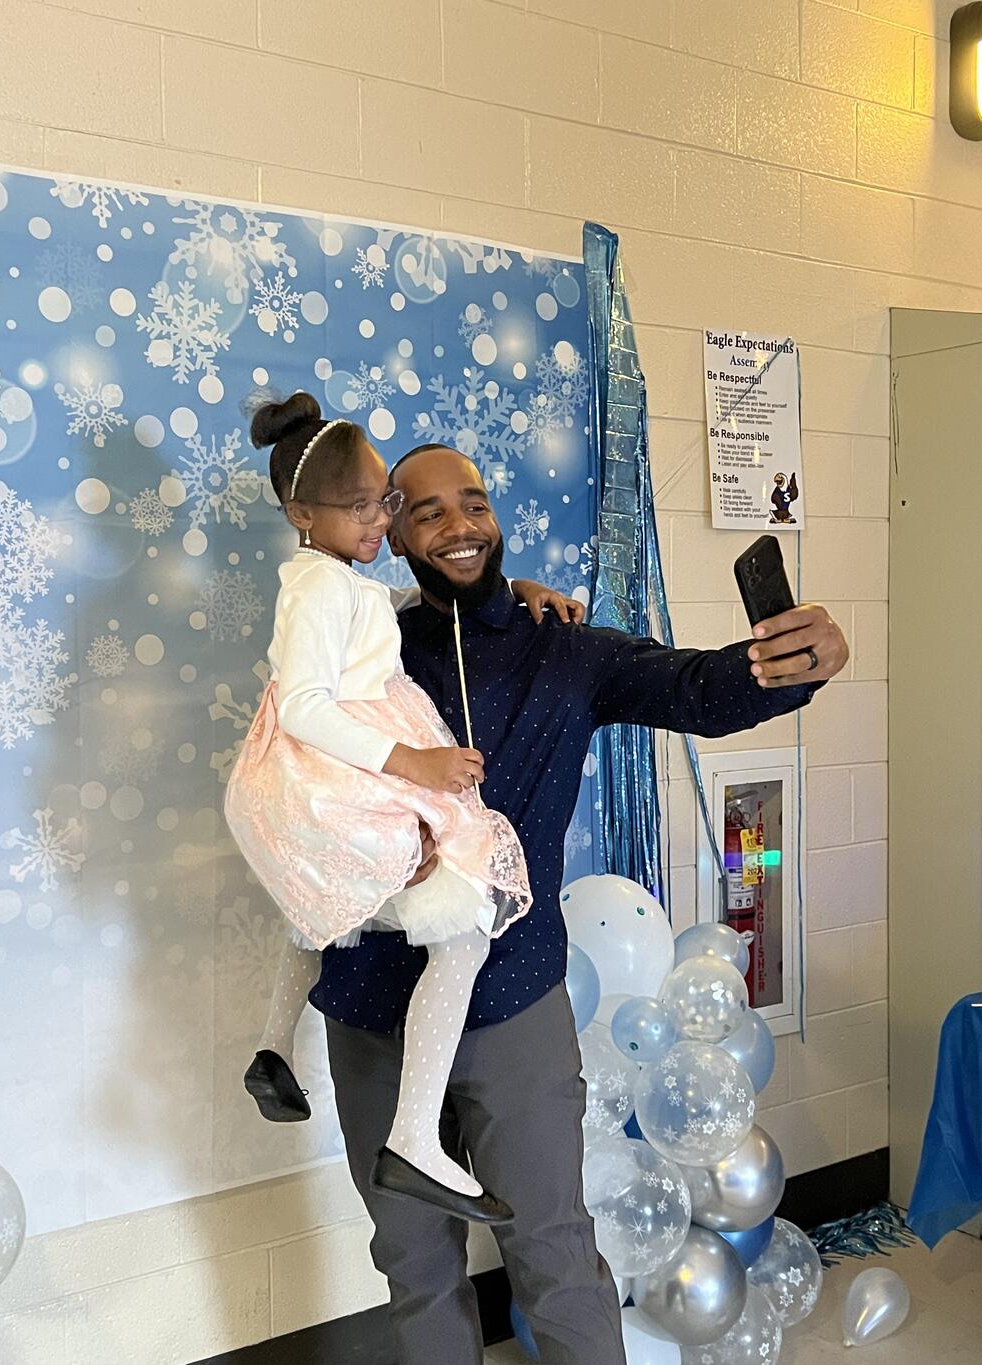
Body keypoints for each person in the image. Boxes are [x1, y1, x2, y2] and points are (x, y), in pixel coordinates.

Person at [309, 442, 850, 1365]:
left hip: (513, 1004)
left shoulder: (564, 650)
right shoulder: (358, 652)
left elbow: (693, 687)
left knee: (554, 1250)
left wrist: (792, 663)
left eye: (474, 503)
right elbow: (288, 760)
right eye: (427, 511)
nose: (459, 525)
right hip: (371, 1008)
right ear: (390, 532)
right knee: (413, 1260)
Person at [224, 393, 582, 1224]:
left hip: (319, 777)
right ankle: (414, 1133)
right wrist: (412, 761)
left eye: (383, 501)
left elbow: (386, 612)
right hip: (335, 769)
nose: (379, 521)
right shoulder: (320, 590)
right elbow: (305, 704)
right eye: (359, 507)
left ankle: (275, 1045)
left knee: (326, 902)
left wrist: (508, 590)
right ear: (302, 514)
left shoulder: (333, 581)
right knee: (464, 923)